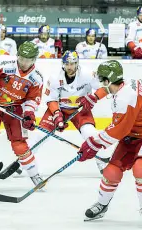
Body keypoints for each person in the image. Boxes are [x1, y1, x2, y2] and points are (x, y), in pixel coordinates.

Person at [77, 60, 142, 221]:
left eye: (102, 79)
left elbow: (118, 131)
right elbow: (108, 88)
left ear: (107, 79)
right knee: (111, 171)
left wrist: (93, 144)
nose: (101, 83)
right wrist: (94, 97)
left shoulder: (125, 98)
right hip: (132, 136)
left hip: (135, 134)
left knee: (140, 170)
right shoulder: (124, 83)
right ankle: (102, 204)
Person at [0, 41, 43, 191]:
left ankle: (35, 175)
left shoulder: (37, 78)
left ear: (34, 60)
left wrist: (29, 114)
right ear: (17, 55)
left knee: (20, 145)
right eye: (22, 59)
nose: (24, 63)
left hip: (14, 110)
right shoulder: (3, 62)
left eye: (28, 60)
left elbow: (33, 99)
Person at [28, 50, 108, 175]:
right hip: (59, 109)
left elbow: (104, 88)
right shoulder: (55, 78)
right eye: (67, 64)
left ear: (77, 63)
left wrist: (94, 97)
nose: (70, 67)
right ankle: (24, 161)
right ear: (63, 64)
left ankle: (102, 162)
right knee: (40, 135)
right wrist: (57, 115)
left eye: (72, 63)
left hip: (81, 109)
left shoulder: (87, 74)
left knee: (91, 134)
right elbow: (51, 100)